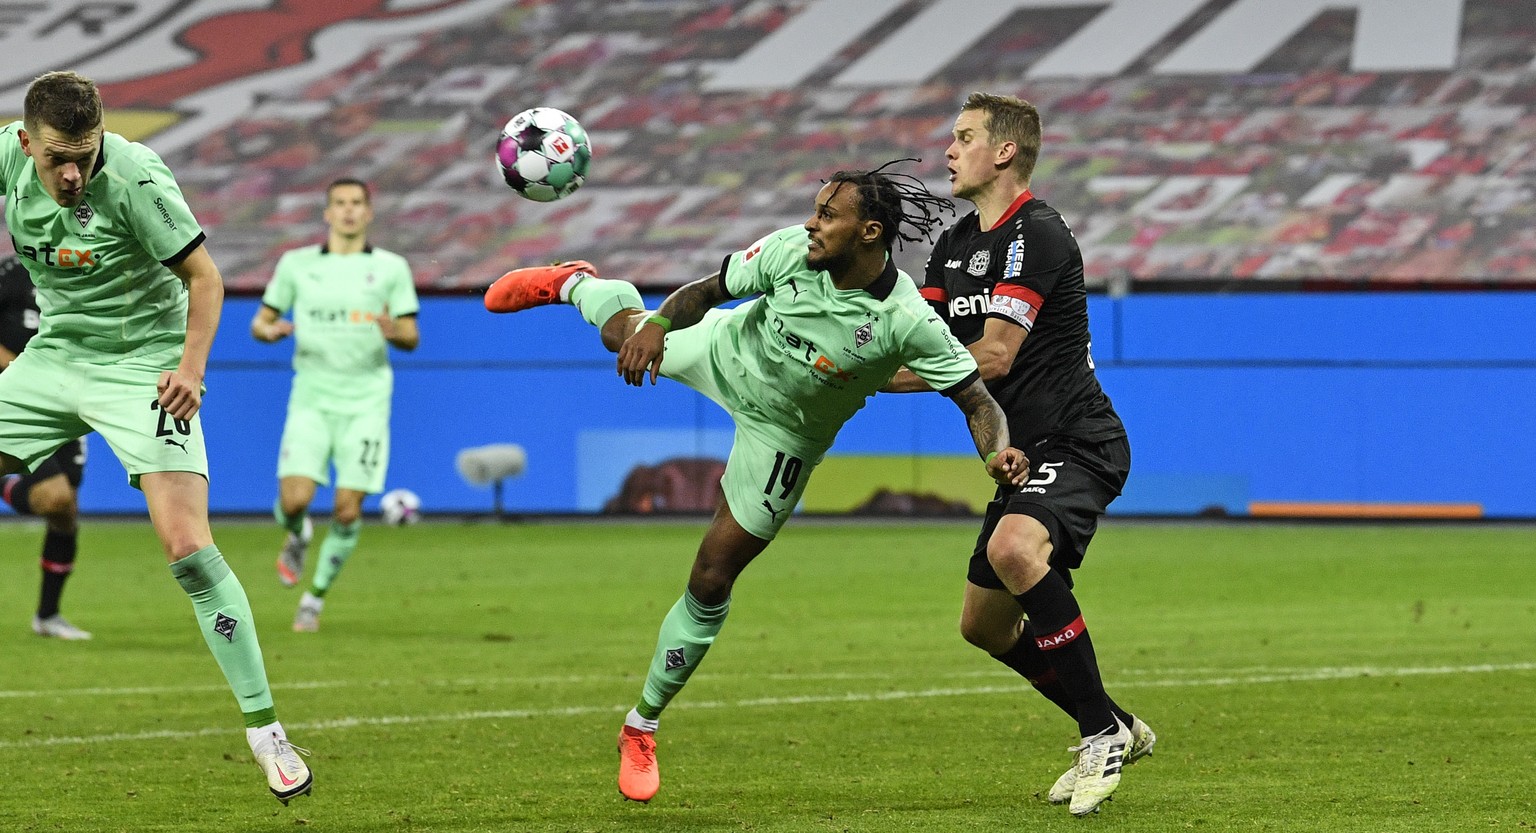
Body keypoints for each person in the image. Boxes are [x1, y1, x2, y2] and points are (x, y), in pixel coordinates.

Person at [485, 161, 1031, 803]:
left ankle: (641, 725)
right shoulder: (787, 252)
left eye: (829, 215)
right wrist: (659, 326)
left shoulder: (907, 320)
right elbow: (704, 293)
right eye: (815, 209)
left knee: (713, 576)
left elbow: (977, 400)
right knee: (624, 334)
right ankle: (578, 282)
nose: (812, 223)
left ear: (870, 232)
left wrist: (998, 454)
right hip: (723, 351)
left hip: (785, 436)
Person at [0, 71, 312, 803]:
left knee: (188, 548)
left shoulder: (137, 178)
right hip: (54, 359)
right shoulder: (9, 156)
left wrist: (190, 369)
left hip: (145, 367)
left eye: (85, 153)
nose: (73, 172)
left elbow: (206, 280)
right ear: (25, 143)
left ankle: (268, 734)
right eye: (57, 159)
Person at [885, 92, 1153, 816]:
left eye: (964, 136)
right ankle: (1117, 721)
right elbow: (926, 344)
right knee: (985, 625)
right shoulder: (952, 246)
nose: (947, 149)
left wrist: (868, 380)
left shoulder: (1038, 233)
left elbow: (992, 358)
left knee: (1013, 548)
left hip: (1080, 438)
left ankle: (1099, 731)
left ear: (1003, 152)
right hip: (1026, 453)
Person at [251, 178, 419, 633]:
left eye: (356, 204)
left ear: (369, 213)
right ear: (326, 213)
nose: (348, 211)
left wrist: (392, 330)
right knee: (294, 500)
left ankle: (314, 598)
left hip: (366, 402)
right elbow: (260, 322)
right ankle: (298, 531)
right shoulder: (297, 265)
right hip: (312, 398)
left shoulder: (390, 268)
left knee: (347, 509)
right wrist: (269, 331)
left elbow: (410, 336)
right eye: (339, 204)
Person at [0, 255, 92, 640]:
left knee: (65, 508)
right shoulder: (12, 274)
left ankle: (48, 616)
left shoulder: (86, 272)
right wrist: (20, 371)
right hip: (14, 398)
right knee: (54, 497)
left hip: (67, 400)